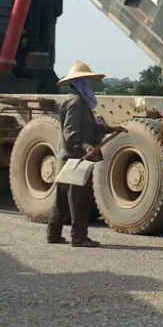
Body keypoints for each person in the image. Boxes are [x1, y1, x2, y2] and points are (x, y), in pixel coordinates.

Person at [47, 61, 123, 247]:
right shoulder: (76, 102)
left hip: (68, 159)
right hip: (76, 159)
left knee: (63, 201)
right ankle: (79, 238)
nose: (90, 83)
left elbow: (90, 125)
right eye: (87, 80)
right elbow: (70, 132)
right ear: (80, 81)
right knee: (79, 202)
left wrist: (112, 128)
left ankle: (53, 235)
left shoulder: (76, 101)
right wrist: (86, 146)